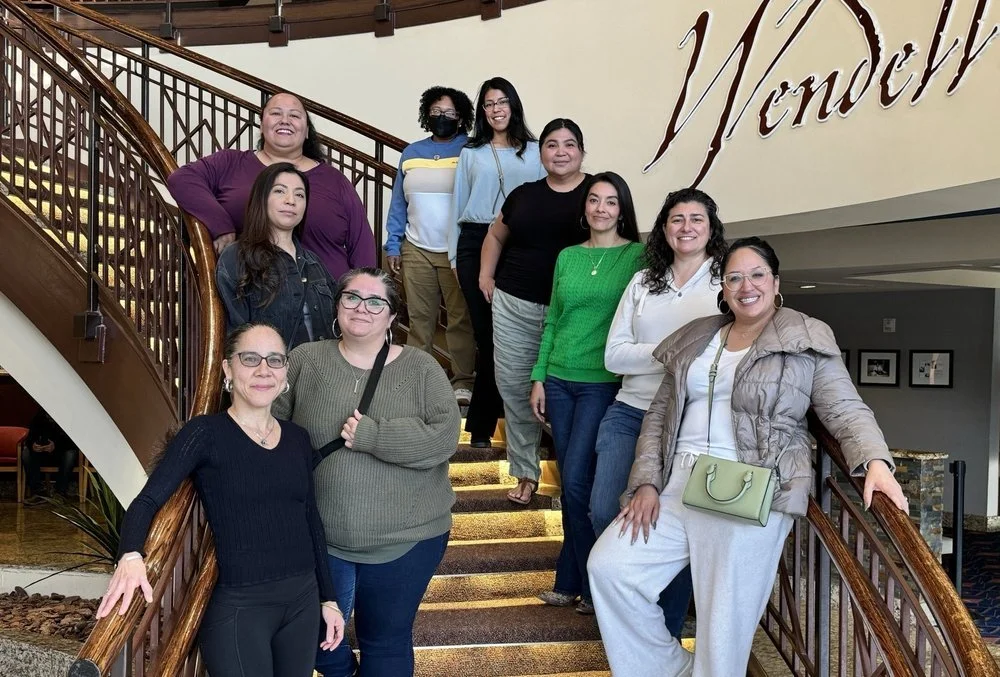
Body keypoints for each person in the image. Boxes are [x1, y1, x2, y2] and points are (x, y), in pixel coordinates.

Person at [587, 237, 909, 677]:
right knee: (610, 569)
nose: (746, 286)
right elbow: (661, 415)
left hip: (749, 488)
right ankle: (670, 669)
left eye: (756, 275)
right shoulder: (699, 335)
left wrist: (875, 461)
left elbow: (843, 408)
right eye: (734, 277)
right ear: (723, 286)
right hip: (677, 484)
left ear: (776, 282)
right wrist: (645, 481)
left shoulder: (805, 336)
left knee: (723, 627)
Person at [96, 323, 344, 677]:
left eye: (275, 360)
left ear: (285, 371)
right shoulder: (205, 433)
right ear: (228, 368)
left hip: (302, 603)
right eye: (250, 358)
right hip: (241, 610)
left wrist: (328, 598)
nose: (263, 370)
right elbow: (148, 499)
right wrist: (131, 554)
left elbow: (310, 520)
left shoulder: (297, 438)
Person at [273, 267, 460, 677]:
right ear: (337, 306)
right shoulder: (305, 360)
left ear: (392, 316)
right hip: (321, 538)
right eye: (352, 298)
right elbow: (271, 431)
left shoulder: (422, 368)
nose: (362, 308)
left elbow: (443, 439)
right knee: (315, 640)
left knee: (386, 642)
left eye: (376, 301)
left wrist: (374, 436)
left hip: (409, 538)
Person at [587, 187, 727, 637]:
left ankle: (663, 628)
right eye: (676, 219)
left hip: (692, 421)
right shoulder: (644, 281)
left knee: (680, 524)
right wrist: (677, 352)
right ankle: (631, 607)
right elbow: (613, 356)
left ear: (710, 229)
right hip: (630, 409)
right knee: (604, 509)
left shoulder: (726, 282)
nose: (686, 227)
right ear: (664, 229)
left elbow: (726, 352)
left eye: (696, 219)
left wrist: (649, 353)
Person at [526, 171, 643, 613]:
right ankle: (573, 581)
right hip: (559, 378)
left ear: (622, 209)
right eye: (594, 200)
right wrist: (539, 374)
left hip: (602, 382)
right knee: (570, 482)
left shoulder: (636, 258)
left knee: (576, 482)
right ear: (584, 208)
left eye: (611, 202)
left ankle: (594, 585)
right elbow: (553, 318)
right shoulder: (567, 256)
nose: (601, 209)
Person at [478, 118, 589, 505]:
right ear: (541, 153)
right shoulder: (524, 194)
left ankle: (575, 475)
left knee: (566, 393)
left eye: (569, 144)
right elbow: (495, 234)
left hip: (575, 312)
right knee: (513, 387)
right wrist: (485, 275)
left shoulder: (597, 193)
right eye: (552, 145)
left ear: (581, 151)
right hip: (514, 303)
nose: (560, 152)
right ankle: (526, 472)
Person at [167, 92, 375, 279]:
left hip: (326, 304)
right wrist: (220, 224)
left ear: (307, 131)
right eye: (276, 113)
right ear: (262, 124)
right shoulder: (230, 162)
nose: (285, 120)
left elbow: (362, 244)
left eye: (294, 115)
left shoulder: (334, 179)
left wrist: (362, 296)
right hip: (249, 302)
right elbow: (182, 179)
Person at [450, 77, 545, 448]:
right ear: (482, 112)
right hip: (476, 241)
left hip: (521, 244)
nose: (496, 109)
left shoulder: (537, 152)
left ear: (514, 105)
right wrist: (456, 257)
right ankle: (481, 427)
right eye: (488, 104)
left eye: (502, 102)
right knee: (487, 335)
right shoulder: (471, 154)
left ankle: (527, 422)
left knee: (523, 335)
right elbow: (458, 208)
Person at [384, 86, 477, 406]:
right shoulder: (411, 153)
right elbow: (398, 203)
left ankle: (463, 380)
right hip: (416, 248)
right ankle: (415, 379)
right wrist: (392, 244)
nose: (442, 118)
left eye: (450, 113)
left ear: (462, 117)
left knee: (459, 318)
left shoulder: (471, 150)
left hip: (456, 251)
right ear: (427, 114)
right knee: (420, 318)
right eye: (436, 112)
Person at [216, 162, 337, 350]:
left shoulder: (314, 262)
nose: (291, 200)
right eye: (280, 191)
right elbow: (233, 336)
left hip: (323, 376)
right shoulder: (237, 257)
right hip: (269, 376)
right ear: (261, 199)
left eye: (299, 195)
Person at [20, 409, 79, 505]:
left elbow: (72, 442)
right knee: (26, 453)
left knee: (71, 454)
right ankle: (38, 493)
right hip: (42, 454)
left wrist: (55, 446)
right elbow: (30, 437)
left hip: (61, 454)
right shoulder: (40, 416)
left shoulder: (67, 416)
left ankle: (60, 493)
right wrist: (33, 445)